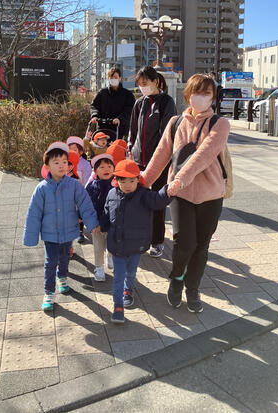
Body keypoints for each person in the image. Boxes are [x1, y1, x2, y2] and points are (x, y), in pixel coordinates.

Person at [142, 74, 230, 313]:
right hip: (180, 194)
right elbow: (160, 156)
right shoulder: (175, 122)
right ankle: (177, 279)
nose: (200, 98)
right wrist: (141, 183)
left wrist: (179, 179)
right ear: (188, 94)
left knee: (201, 246)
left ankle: (193, 289)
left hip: (210, 195)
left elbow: (204, 155)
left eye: (207, 94)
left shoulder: (220, 124)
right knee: (183, 243)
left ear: (213, 97)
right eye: (196, 92)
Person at [23, 142, 100, 311]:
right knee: (51, 261)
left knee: (65, 257)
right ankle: (48, 293)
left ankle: (62, 278)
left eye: (64, 162)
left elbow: (85, 205)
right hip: (50, 233)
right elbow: (34, 213)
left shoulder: (74, 185)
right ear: (47, 166)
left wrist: (93, 223)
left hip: (68, 231)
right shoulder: (41, 189)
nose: (61, 165)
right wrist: (30, 236)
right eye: (56, 162)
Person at [102, 160, 171, 324]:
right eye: (123, 180)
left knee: (131, 272)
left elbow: (159, 200)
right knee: (118, 276)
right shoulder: (111, 194)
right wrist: (101, 226)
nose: (127, 185)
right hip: (117, 245)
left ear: (138, 180)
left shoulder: (144, 195)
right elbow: (106, 212)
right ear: (116, 180)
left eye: (132, 180)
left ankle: (128, 290)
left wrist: (169, 189)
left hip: (136, 245)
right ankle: (118, 306)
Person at [128, 66, 177, 258]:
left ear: (155, 82)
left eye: (145, 83)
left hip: (159, 163)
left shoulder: (167, 102)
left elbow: (167, 136)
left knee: (157, 203)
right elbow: (132, 131)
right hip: (139, 159)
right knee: (138, 201)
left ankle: (157, 241)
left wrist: (160, 159)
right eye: (140, 85)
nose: (142, 87)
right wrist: (131, 150)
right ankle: (141, 237)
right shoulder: (139, 103)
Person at [85, 153, 115, 281]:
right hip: (96, 225)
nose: (106, 169)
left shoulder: (117, 185)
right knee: (98, 248)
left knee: (112, 246)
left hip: (113, 224)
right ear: (95, 171)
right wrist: (91, 224)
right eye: (102, 167)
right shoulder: (91, 186)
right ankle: (99, 268)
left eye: (109, 166)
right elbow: (86, 206)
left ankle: (110, 257)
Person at [90, 67, 135, 138]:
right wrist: (95, 116)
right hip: (102, 128)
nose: (113, 79)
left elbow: (129, 110)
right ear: (108, 78)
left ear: (120, 78)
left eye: (115, 77)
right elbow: (94, 106)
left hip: (120, 129)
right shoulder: (102, 93)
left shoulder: (127, 95)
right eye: (111, 77)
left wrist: (120, 119)